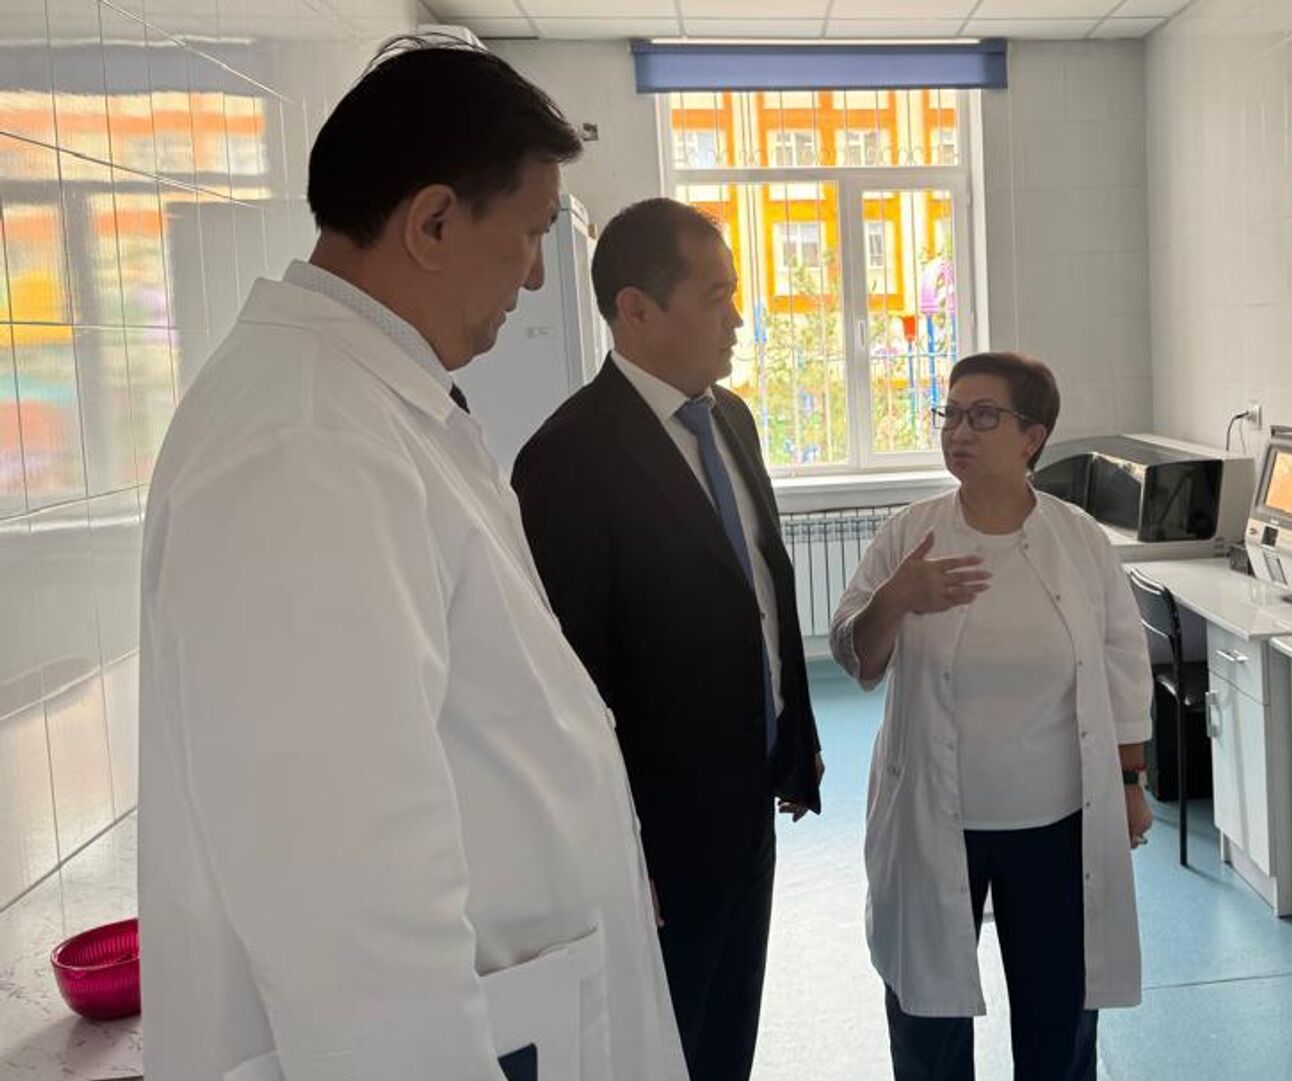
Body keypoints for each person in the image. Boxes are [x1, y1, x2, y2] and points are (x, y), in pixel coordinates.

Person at [137, 38, 685, 1081]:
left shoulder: (369, 405)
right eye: (530, 232)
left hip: (526, 1005)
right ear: (433, 223)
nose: (537, 274)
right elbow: (347, 901)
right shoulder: (305, 444)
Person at [512, 197, 825, 1081]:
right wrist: (618, 843)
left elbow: (761, 590)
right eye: (716, 295)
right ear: (636, 309)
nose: (737, 318)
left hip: (747, 804)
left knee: (730, 1032)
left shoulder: (730, 419)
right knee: (668, 1043)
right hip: (658, 835)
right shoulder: (568, 456)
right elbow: (569, 676)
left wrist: (792, 736)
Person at [830, 352, 1155, 1081]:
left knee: (1058, 1014)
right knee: (927, 1016)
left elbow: (1121, 662)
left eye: (983, 416)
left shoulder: (1078, 540)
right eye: (950, 414)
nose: (958, 431)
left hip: (1055, 820)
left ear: (1032, 437)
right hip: (934, 814)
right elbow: (854, 655)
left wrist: (1130, 781)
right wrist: (897, 597)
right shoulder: (909, 535)